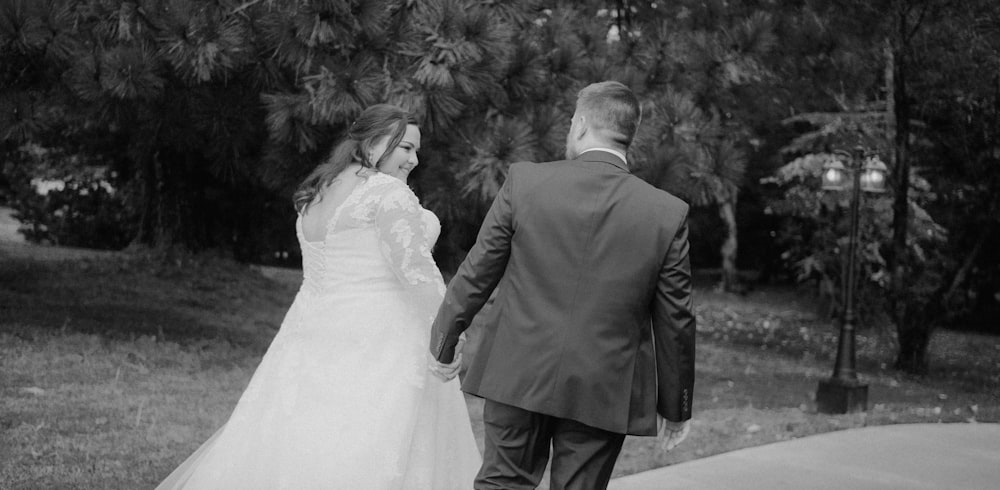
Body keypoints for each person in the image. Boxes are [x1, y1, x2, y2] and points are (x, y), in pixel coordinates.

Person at [157, 104, 481, 489]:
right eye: (405, 148)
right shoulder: (386, 192)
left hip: (310, 336)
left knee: (303, 435)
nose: (414, 159)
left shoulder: (320, 190)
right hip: (381, 341)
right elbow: (417, 273)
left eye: (415, 150)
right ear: (375, 144)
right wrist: (450, 332)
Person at [429, 81, 696, 490]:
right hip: (603, 384)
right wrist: (676, 405)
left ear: (581, 123)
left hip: (518, 369)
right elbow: (676, 319)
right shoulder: (665, 212)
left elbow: (477, 271)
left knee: (502, 483)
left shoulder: (524, 182)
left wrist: (443, 342)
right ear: (629, 134)